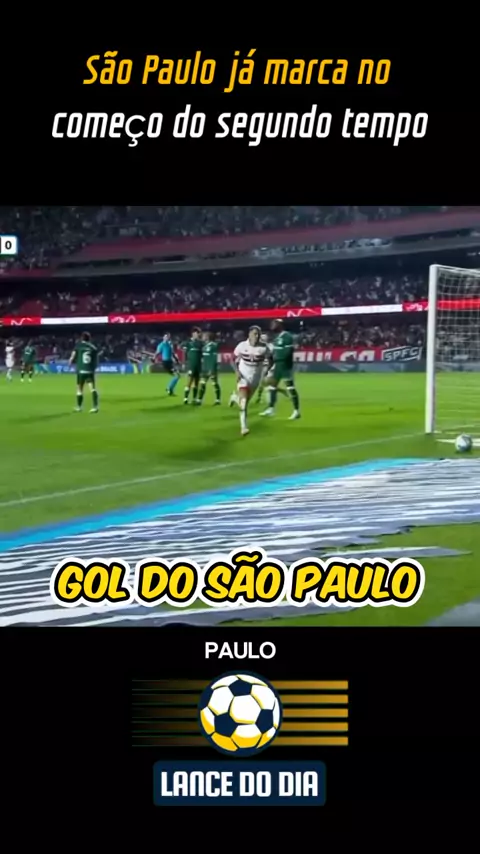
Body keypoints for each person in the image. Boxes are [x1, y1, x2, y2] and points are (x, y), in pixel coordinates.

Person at [231, 326, 269, 436]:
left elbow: (271, 359)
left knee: (245, 402)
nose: (256, 336)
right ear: (249, 334)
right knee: (243, 403)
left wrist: (267, 370)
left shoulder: (264, 348)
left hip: (255, 378)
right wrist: (237, 372)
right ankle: (243, 427)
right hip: (243, 375)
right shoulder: (242, 346)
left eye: (258, 334)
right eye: (254, 334)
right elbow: (232, 359)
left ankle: (234, 398)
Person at [261, 319, 300, 420]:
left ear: (280, 325)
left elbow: (289, 351)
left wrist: (283, 361)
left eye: (274, 324)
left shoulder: (287, 336)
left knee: (290, 387)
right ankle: (271, 409)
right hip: (277, 365)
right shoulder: (277, 337)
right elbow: (274, 353)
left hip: (285, 365)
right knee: (272, 386)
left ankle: (296, 411)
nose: (272, 325)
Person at [69, 331, 99, 413]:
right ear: (89, 339)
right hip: (90, 371)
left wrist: (70, 363)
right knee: (92, 388)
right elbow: (96, 360)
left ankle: (79, 407)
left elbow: (72, 357)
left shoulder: (78, 346)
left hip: (81, 371)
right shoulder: (93, 347)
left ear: (81, 338)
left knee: (79, 389)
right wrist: (94, 368)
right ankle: (95, 407)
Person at [198, 331, 221, 405]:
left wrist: (213, 368)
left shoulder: (214, 345)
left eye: (204, 336)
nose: (203, 337)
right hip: (205, 368)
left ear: (208, 337)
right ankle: (199, 400)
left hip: (211, 368)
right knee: (202, 383)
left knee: (214, 383)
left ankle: (217, 400)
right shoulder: (204, 346)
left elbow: (216, 357)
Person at [182, 327, 203, 405]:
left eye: (199, 333)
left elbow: (202, 355)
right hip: (191, 365)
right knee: (189, 381)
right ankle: (185, 398)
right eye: (197, 333)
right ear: (193, 333)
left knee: (196, 382)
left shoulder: (200, 343)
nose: (198, 335)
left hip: (198, 365)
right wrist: (184, 363)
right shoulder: (188, 343)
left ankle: (194, 398)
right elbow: (184, 354)